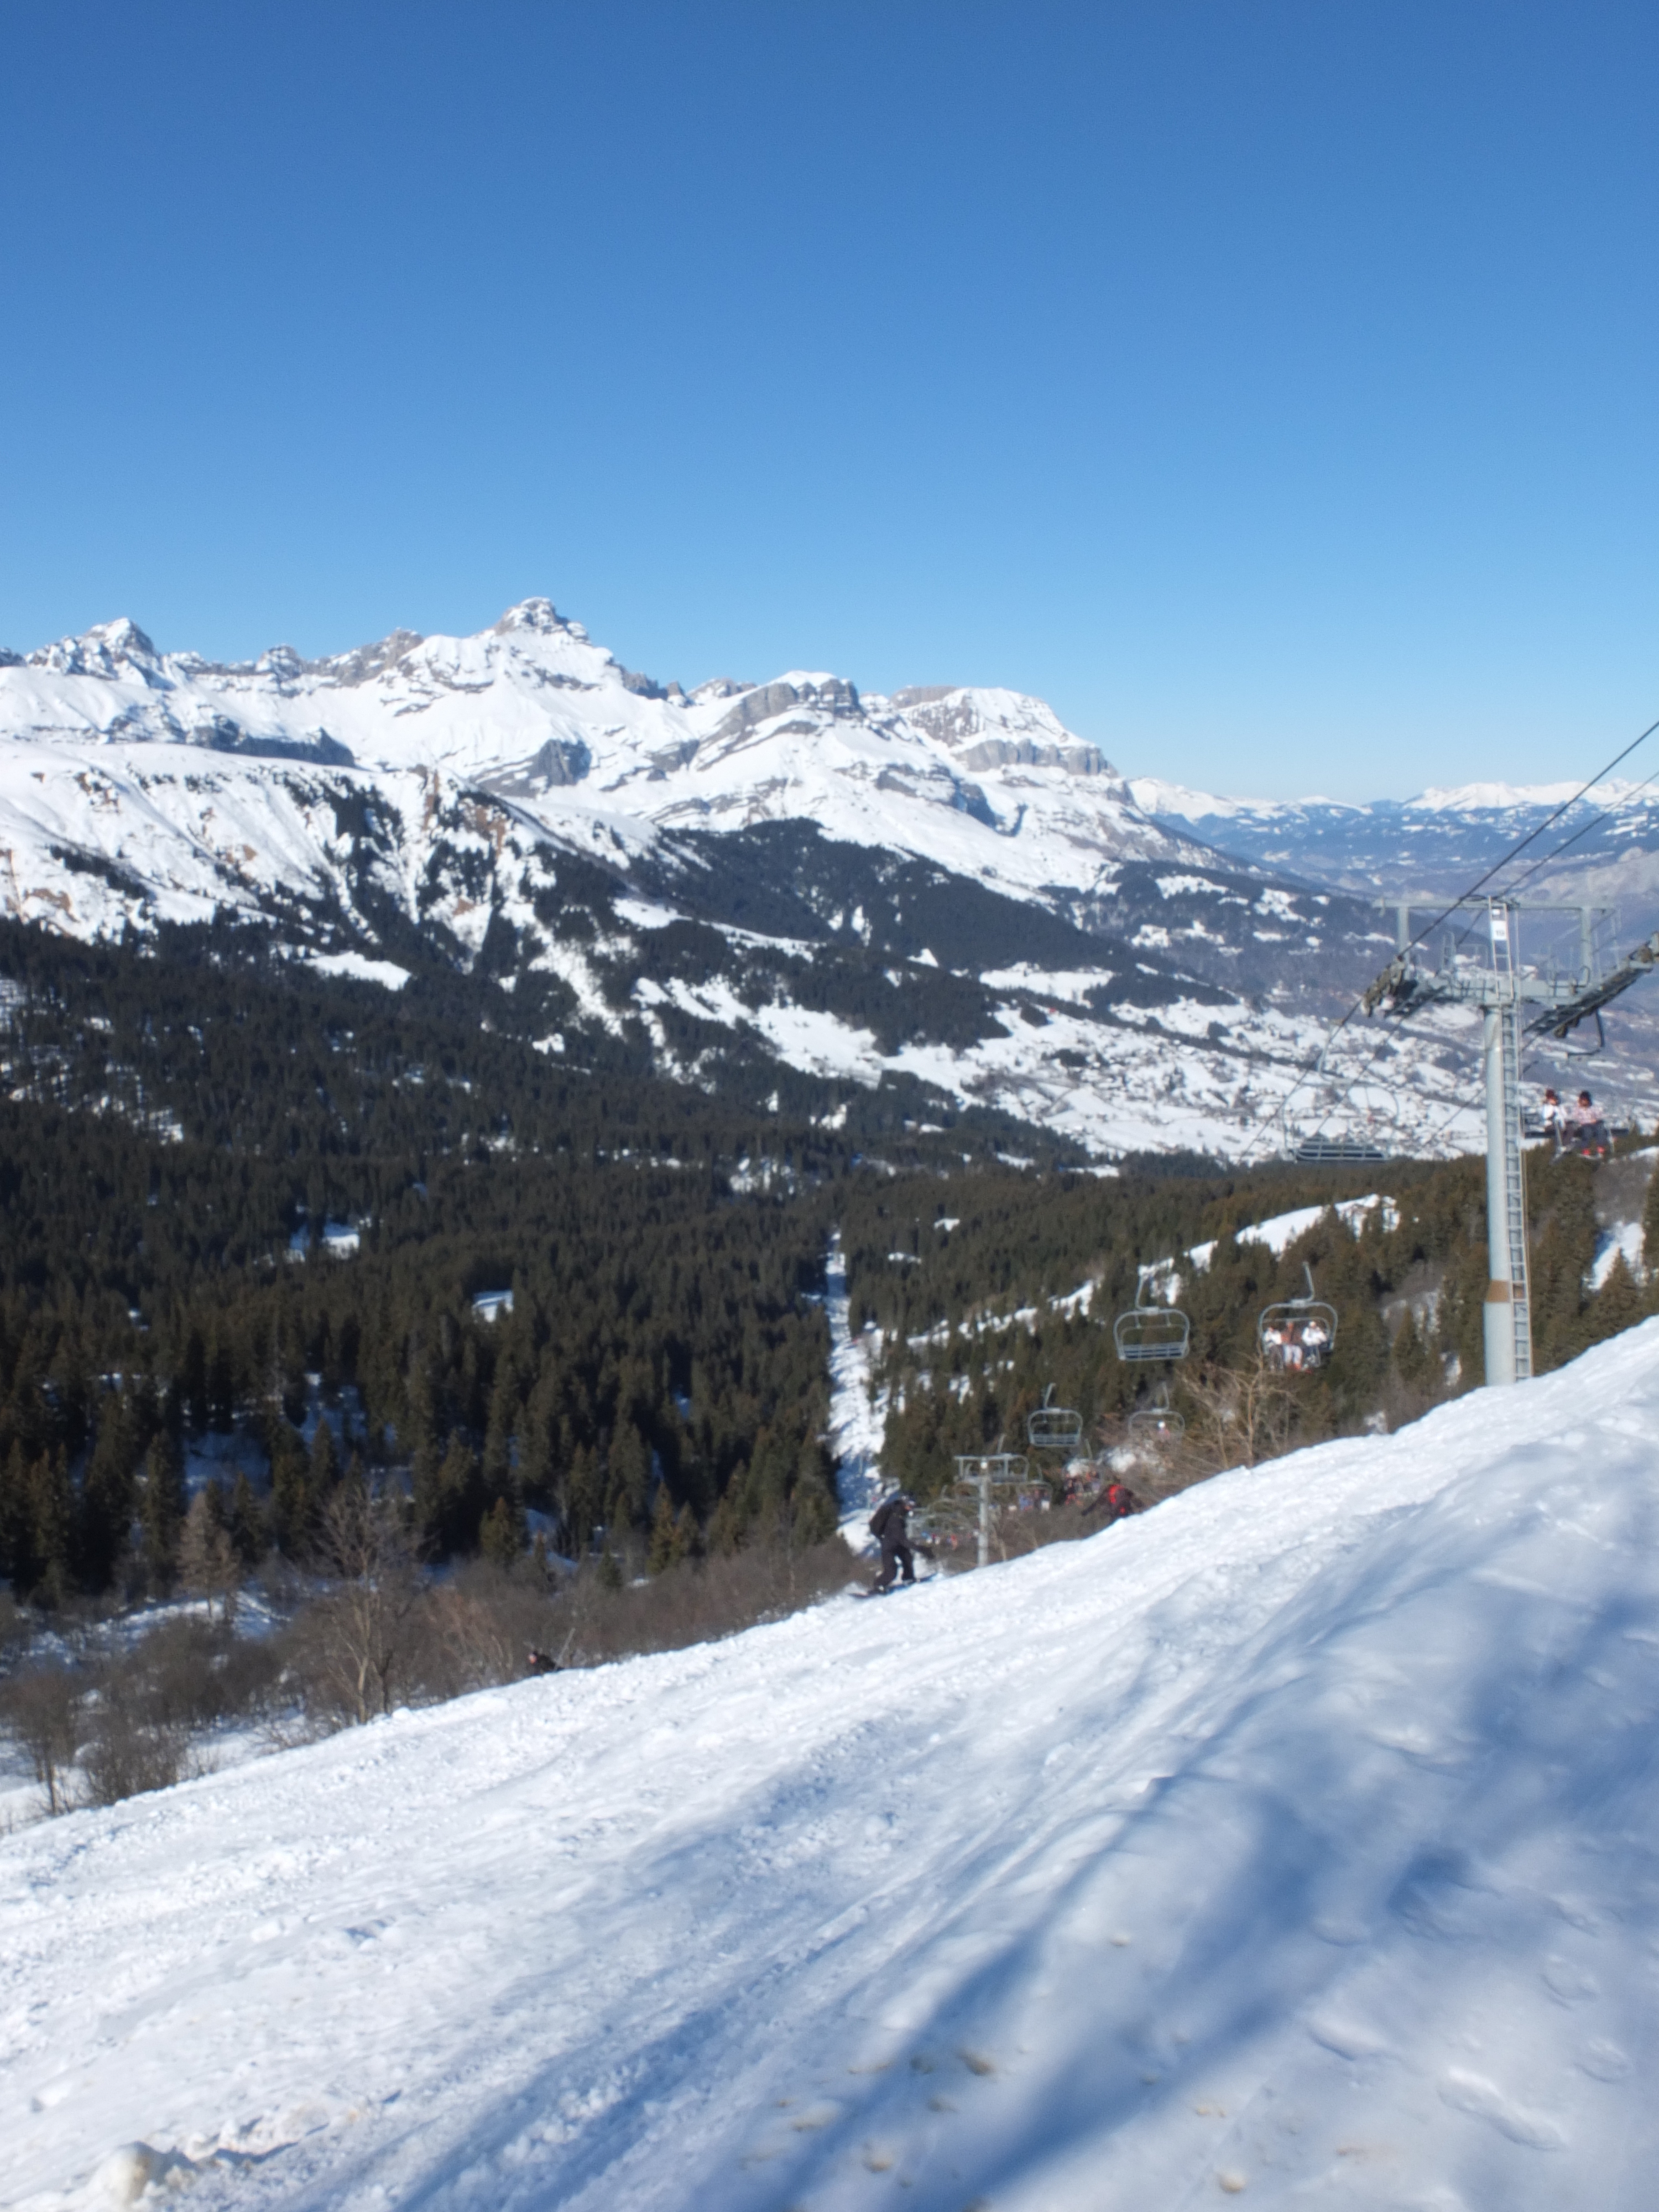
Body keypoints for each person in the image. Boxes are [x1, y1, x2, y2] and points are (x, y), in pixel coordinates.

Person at [869, 1490, 917, 1592]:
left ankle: (908, 1578)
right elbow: (896, 1531)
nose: (912, 1507)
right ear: (905, 1502)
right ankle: (878, 1585)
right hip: (888, 1544)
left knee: (907, 1558)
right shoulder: (895, 1513)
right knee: (891, 1570)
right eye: (911, 1504)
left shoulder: (901, 1511)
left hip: (896, 1542)